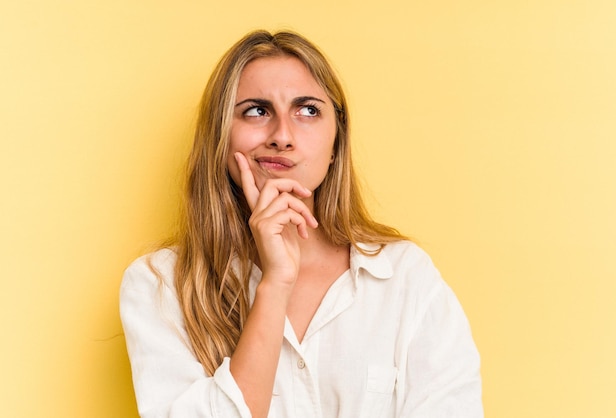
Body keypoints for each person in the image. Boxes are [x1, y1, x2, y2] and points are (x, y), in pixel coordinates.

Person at [120, 29, 483, 418]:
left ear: (335, 145)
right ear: (220, 137)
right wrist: (276, 285)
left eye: (308, 110)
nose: (282, 136)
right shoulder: (159, 286)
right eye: (256, 110)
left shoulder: (405, 278)